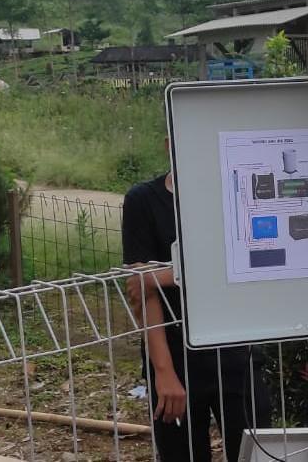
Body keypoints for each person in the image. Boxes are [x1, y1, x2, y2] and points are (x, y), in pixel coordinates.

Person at [123, 147, 271, 461]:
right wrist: (163, 371)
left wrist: (164, 274)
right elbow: (140, 289)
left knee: (256, 453)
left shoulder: (235, 194)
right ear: (167, 141)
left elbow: (248, 262)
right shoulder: (143, 201)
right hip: (175, 357)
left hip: (237, 355)